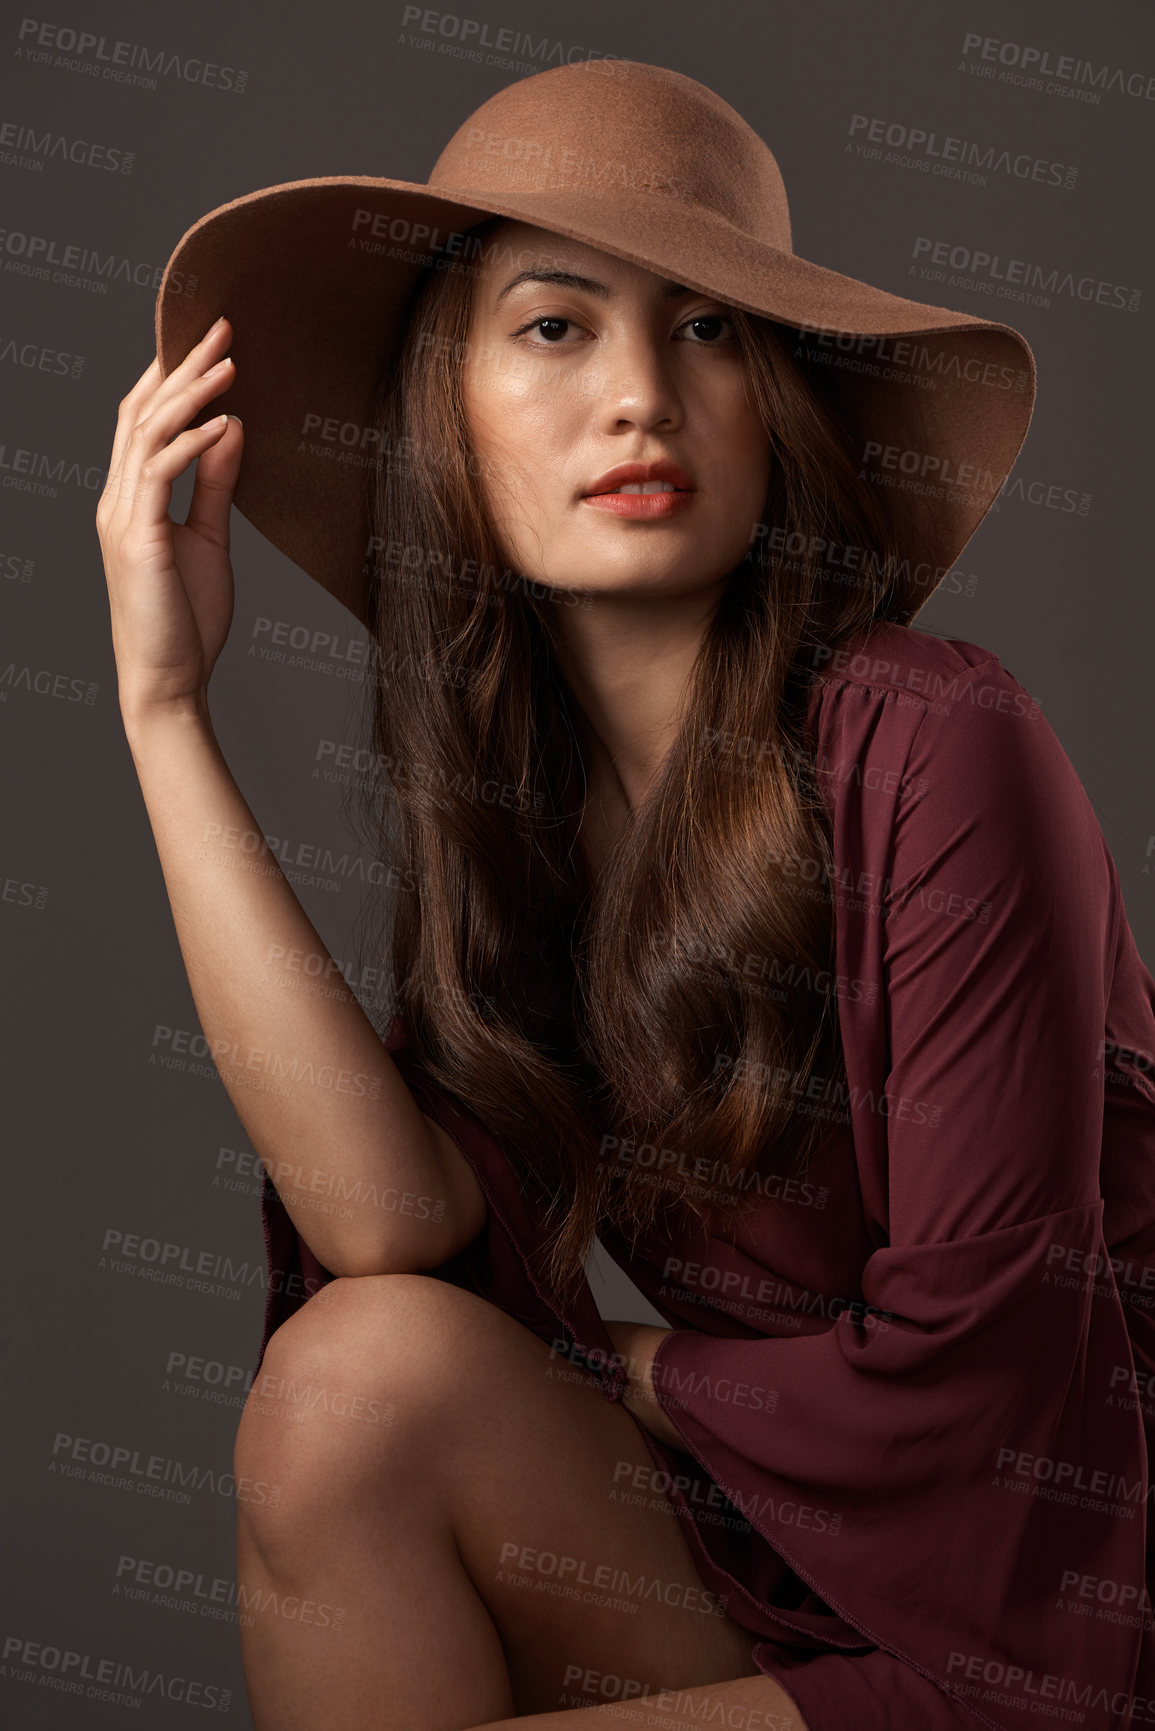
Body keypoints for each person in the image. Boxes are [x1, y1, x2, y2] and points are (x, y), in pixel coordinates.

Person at [97, 59, 1155, 1731]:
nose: (644, 396)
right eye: (555, 325)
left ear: (779, 405)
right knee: (349, 1388)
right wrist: (166, 715)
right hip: (765, 1563)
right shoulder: (515, 829)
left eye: (713, 329)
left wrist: (630, 1365)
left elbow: (990, 1381)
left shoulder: (937, 740)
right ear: (443, 409)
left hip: (1041, 1617)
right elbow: (388, 1234)